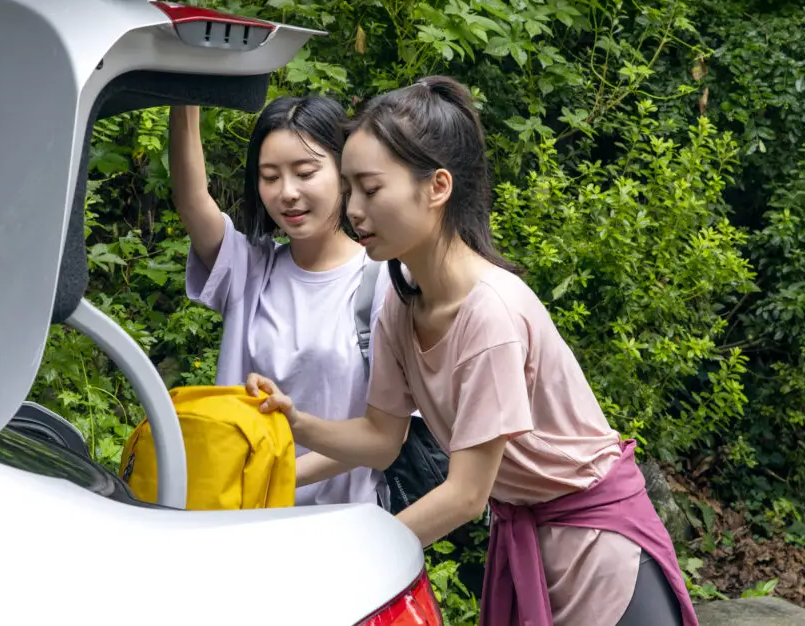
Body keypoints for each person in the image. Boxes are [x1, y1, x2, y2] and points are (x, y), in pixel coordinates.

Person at [246, 77, 699, 626]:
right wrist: (297, 421)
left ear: (437, 187)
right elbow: (381, 439)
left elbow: (464, 496)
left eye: (370, 188)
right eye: (349, 188)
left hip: (598, 550)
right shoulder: (401, 302)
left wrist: (352, 558)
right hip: (529, 534)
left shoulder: (489, 313)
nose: (354, 209)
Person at [168, 100, 391, 508]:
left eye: (305, 173)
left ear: (344, 173)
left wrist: (272, 479)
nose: (287, 193)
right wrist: (187, 95)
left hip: (335, 530)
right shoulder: (249, 268)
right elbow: (192, 199)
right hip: (238, 516)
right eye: (270, 177)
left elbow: (384, 435)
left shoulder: (382, 283)